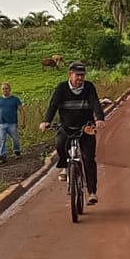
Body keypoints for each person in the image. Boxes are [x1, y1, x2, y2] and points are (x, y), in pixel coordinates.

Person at [39, 62, 106, 205]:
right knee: (60, 144)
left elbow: (95, 103)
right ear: (70, 74)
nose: (80, 78)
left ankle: (92, 192)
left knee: (89, 159)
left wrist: (99, 118)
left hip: (86, 127)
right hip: (67, 126)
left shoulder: (89, 87)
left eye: (82, 75)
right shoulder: (62, 88)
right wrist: (46, 121)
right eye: (77, 75)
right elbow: (53, 105)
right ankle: (64, 165)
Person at [0, 82, 23, 163]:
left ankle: (17, 151)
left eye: (6, 88)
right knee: (1, 140)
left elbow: (21, 110)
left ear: (10, 89)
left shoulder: (15, 99)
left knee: (15, 139)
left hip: (12, 123)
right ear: (1, 90)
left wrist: (23, 121)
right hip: (1, 124)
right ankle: (2, 156)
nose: (5, 90)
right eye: (3, 89)